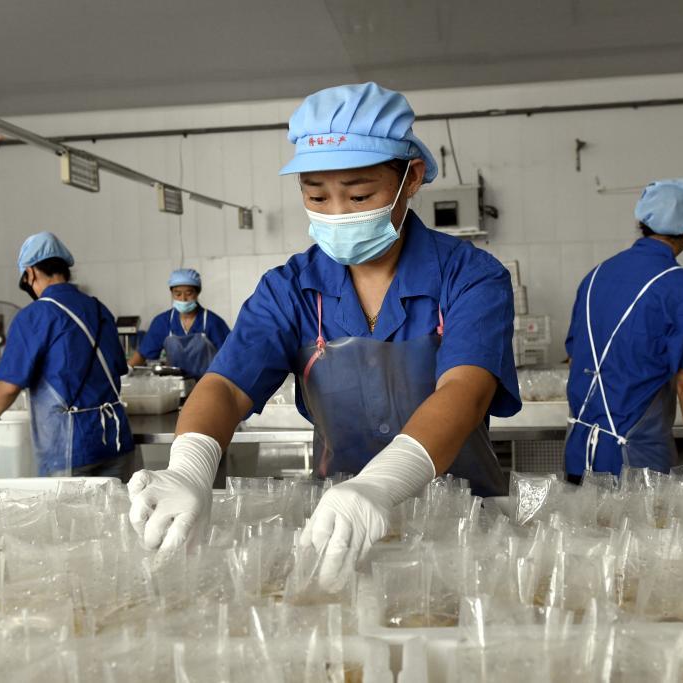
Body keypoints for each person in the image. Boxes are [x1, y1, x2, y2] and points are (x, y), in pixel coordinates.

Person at [128, 82, 520, 581]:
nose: (336, 213)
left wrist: (381, 483)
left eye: (359, 195)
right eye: (316, 195)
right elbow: (225, 385)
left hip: (464, 528)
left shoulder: (470, 275)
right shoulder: (289, 288)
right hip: (337, 527)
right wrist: (190, 466)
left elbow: (464, 390)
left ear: (412, 178)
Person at [564, 178, 683, 482]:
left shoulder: (595, 277)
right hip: (639, 464)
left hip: (579, 456)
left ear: (641, 221)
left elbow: (574, 358)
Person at [0, 232, 137, 481]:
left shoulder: (34, 316)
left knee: (68, 509)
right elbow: (119, 367)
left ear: (30, 272)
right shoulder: (99, 309)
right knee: (117, 506)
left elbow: (9, 387)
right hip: (115, 439)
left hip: (69, 448)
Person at [128, 268, 231, 378]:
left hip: (208, 383)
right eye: (177, 294)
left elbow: (231, 356)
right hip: (176, 384)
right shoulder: (163, 322)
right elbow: (142, 354)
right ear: (172, 294)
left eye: (189, 293)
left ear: (197, 293)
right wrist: (126, 372)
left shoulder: (212, 322)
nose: (183, 298)